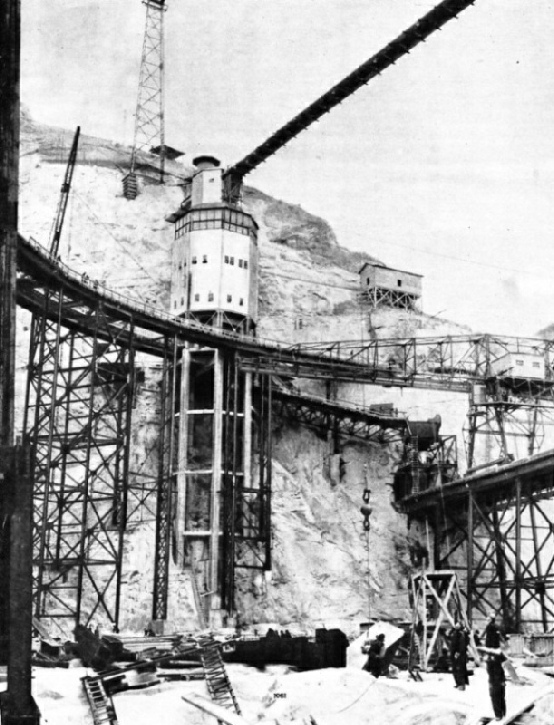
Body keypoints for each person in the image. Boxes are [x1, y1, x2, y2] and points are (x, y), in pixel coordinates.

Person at [486, 649, 507, 720]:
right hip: (499, 679)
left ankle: (499, 715)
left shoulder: (490, 653)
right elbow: (505, 663)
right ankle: (503, 713)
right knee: (500, 697)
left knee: (495, 697)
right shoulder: (498, 652)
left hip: (495, 680)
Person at [450, 621, 469, 690]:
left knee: (458, 669)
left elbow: (462, 644)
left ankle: (461, 685)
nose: (456, 625)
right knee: (456, 669)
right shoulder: (456, 633)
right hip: (455, 653)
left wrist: (458, 652)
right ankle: (459, 684)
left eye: (458, 624)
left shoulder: (461, 634)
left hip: (458, 654)